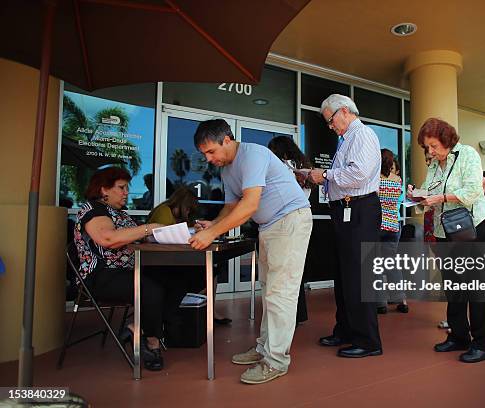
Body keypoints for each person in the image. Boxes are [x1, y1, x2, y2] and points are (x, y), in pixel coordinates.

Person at [189, 119, 312, 385]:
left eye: (211, 151)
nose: (209, 159)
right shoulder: (227, 169)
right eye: (204, 154)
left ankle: (276, 361)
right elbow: (232, 207)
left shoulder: (252, 154)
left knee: (281, 293)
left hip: (290, 219)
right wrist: (214, 224)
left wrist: (211, 234)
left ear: (227, 140)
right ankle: (263, 349)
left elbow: (250, 204)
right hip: (269, 225)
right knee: (270, 291)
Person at [73, 167, 182, 371]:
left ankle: (137, 328)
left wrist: (181, 232)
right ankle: (152, 340)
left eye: (126, 188)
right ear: (104, 189)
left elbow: (142, 237)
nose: (126, 193)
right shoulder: (94, 210)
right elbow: (108, 239)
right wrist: (150, 227)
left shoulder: (118, 213)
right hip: (102, 276)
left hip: (130, 270)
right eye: (121, 187)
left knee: (180, 278)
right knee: (150, 288)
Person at [409, 117, 485, 363]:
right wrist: (416, 196)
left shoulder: (467, 154)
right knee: (455, 285)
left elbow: (473, 191)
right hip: (445, 229)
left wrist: (439, 198)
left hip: (475, 226)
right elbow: (428, 191)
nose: (430, 151)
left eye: (434, 146)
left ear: (447, 139)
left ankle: (483, 344)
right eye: (427, 147)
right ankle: (459, 337)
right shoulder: (435, 164)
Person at [308, 94, 383, 358]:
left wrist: (326, 174)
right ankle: (346, 330)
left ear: (343, 112)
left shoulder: (362, 135)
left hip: (360, 209)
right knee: (343, 275)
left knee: (358, 277)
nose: (330, 126)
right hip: (346, 210)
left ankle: (368, 340)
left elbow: (359, 173)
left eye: (330, 120)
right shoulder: (346, 139)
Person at [147, 186, 231, 325]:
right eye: (188, 208)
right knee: (205, 273)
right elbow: (165, 236)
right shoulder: (164, 211)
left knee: (211, 271)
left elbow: (184, 232)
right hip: (159, 261)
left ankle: (208, 311)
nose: (188, 212)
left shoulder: (175, 214)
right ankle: (200, 311)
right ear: (182, 204)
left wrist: (195, 229)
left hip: (170, 259)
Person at [267, 135, 315, 324]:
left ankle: (285, 317)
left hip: (283, 221)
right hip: (301, 219)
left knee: (281, 276)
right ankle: (298, 313)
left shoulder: (284, 167)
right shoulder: (304, 166)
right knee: (295, 272)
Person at [376, 149, 409, 314]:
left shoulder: (375, 180)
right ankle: (401, 299)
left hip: (376, 226)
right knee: (392, 264)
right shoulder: (398, 181)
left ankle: (380, 303)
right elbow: (401, 200)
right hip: (393, 226)